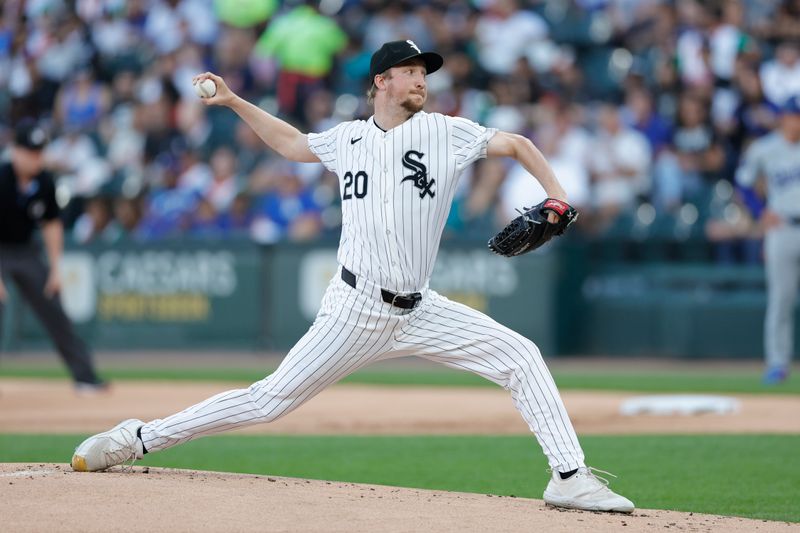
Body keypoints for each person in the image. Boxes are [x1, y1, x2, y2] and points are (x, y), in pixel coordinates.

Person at [71, 41, 634, 513]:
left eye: (425, 73)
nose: (422, 81)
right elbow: (292, 143)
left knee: (522, 357)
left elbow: (519, 144)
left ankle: (568, 478)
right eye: (411, 73)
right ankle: (138, 438)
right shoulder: (348, 139)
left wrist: (557, 197)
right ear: (382, 82)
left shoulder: (446, 132)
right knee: (267, 402)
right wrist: (236, 100)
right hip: (354, 310)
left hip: (421, 309)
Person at [0, 119, 108, 393]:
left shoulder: (45, 181)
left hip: (25, 251)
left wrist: (56, 268)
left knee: (55, 308)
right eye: (30, 152)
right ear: (15, 151)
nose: (36, 158)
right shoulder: (2, 177)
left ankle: (85, 377)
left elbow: (51, 224)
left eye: (39, 152)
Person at [735, 95, 800, 385]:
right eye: (793, 115)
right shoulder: (765, 148)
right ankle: (777, 363)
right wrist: (761, 212)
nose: (796, 121)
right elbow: (743, 183)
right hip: (782, 227)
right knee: (781, 298)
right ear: (783, 117)